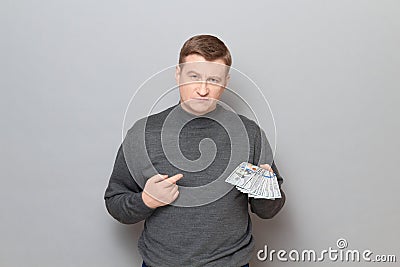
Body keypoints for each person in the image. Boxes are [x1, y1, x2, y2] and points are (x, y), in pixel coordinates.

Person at [104, 34, 286, 267]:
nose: (202, 90)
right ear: (178, 75)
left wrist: (264, 191)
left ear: (226, 82)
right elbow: (115, 203)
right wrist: (146, 200)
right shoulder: (143, 133)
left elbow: (270, 210)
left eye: (213, 80)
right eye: (194, 77)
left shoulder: (249, 134)